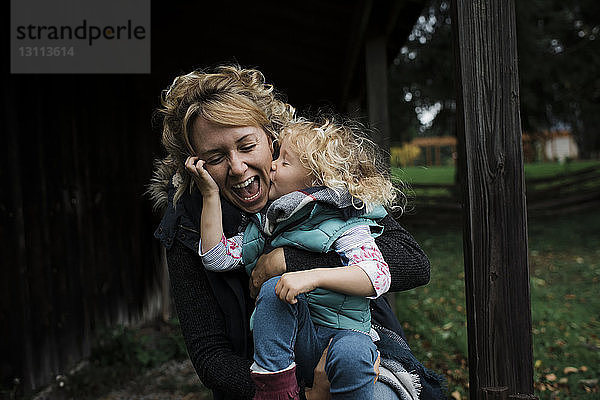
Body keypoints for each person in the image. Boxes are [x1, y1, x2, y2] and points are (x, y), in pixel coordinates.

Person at [149, 65, 438, 400]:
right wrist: (305, 396)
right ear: (195, 165)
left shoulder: (324, 186)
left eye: (246, 145)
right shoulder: (186, 226)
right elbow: (210, 357)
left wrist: (289, 260)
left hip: (353, 357)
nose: (238, 167)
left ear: (270, 136)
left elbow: (413, 262)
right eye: (215, 157)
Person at [186, 118, 397, 399]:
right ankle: (276, 392)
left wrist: (312, 275)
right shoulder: (266, 225)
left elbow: (378, 275)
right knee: (275, 291)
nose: (272, 164)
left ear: (317, 178)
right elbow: (216, 258)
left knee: (352, 354)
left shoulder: (345, 222)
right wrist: (210, 195)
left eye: (284, 162)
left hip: (345, 336)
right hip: (297, 344)